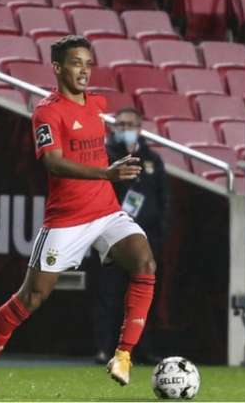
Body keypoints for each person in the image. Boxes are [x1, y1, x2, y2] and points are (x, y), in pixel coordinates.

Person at [0, 35, 156, 397]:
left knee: (144, 262)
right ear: (57, 67)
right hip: (66, 219)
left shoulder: (96, 105)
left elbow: (94, 154)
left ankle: (123, 355)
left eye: (87, 63)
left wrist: (114, 170)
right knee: (31, 297)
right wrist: (106, 174)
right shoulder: (47, 112)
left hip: (106, 211)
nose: (83, 70)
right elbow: (52, 162)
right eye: (75, 63)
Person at [94, 107, 168, 364]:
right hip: (113, 238)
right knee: (109, 295)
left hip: (146, 241)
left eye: (130, 124)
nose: (125, 129)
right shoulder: (104, 157)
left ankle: (141, 349)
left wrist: (160, 235)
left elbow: (163, 199)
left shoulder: (152, 160)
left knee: (143, 297)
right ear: (113, 127)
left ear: (140, 127)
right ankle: (105, 349)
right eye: (121, 124)